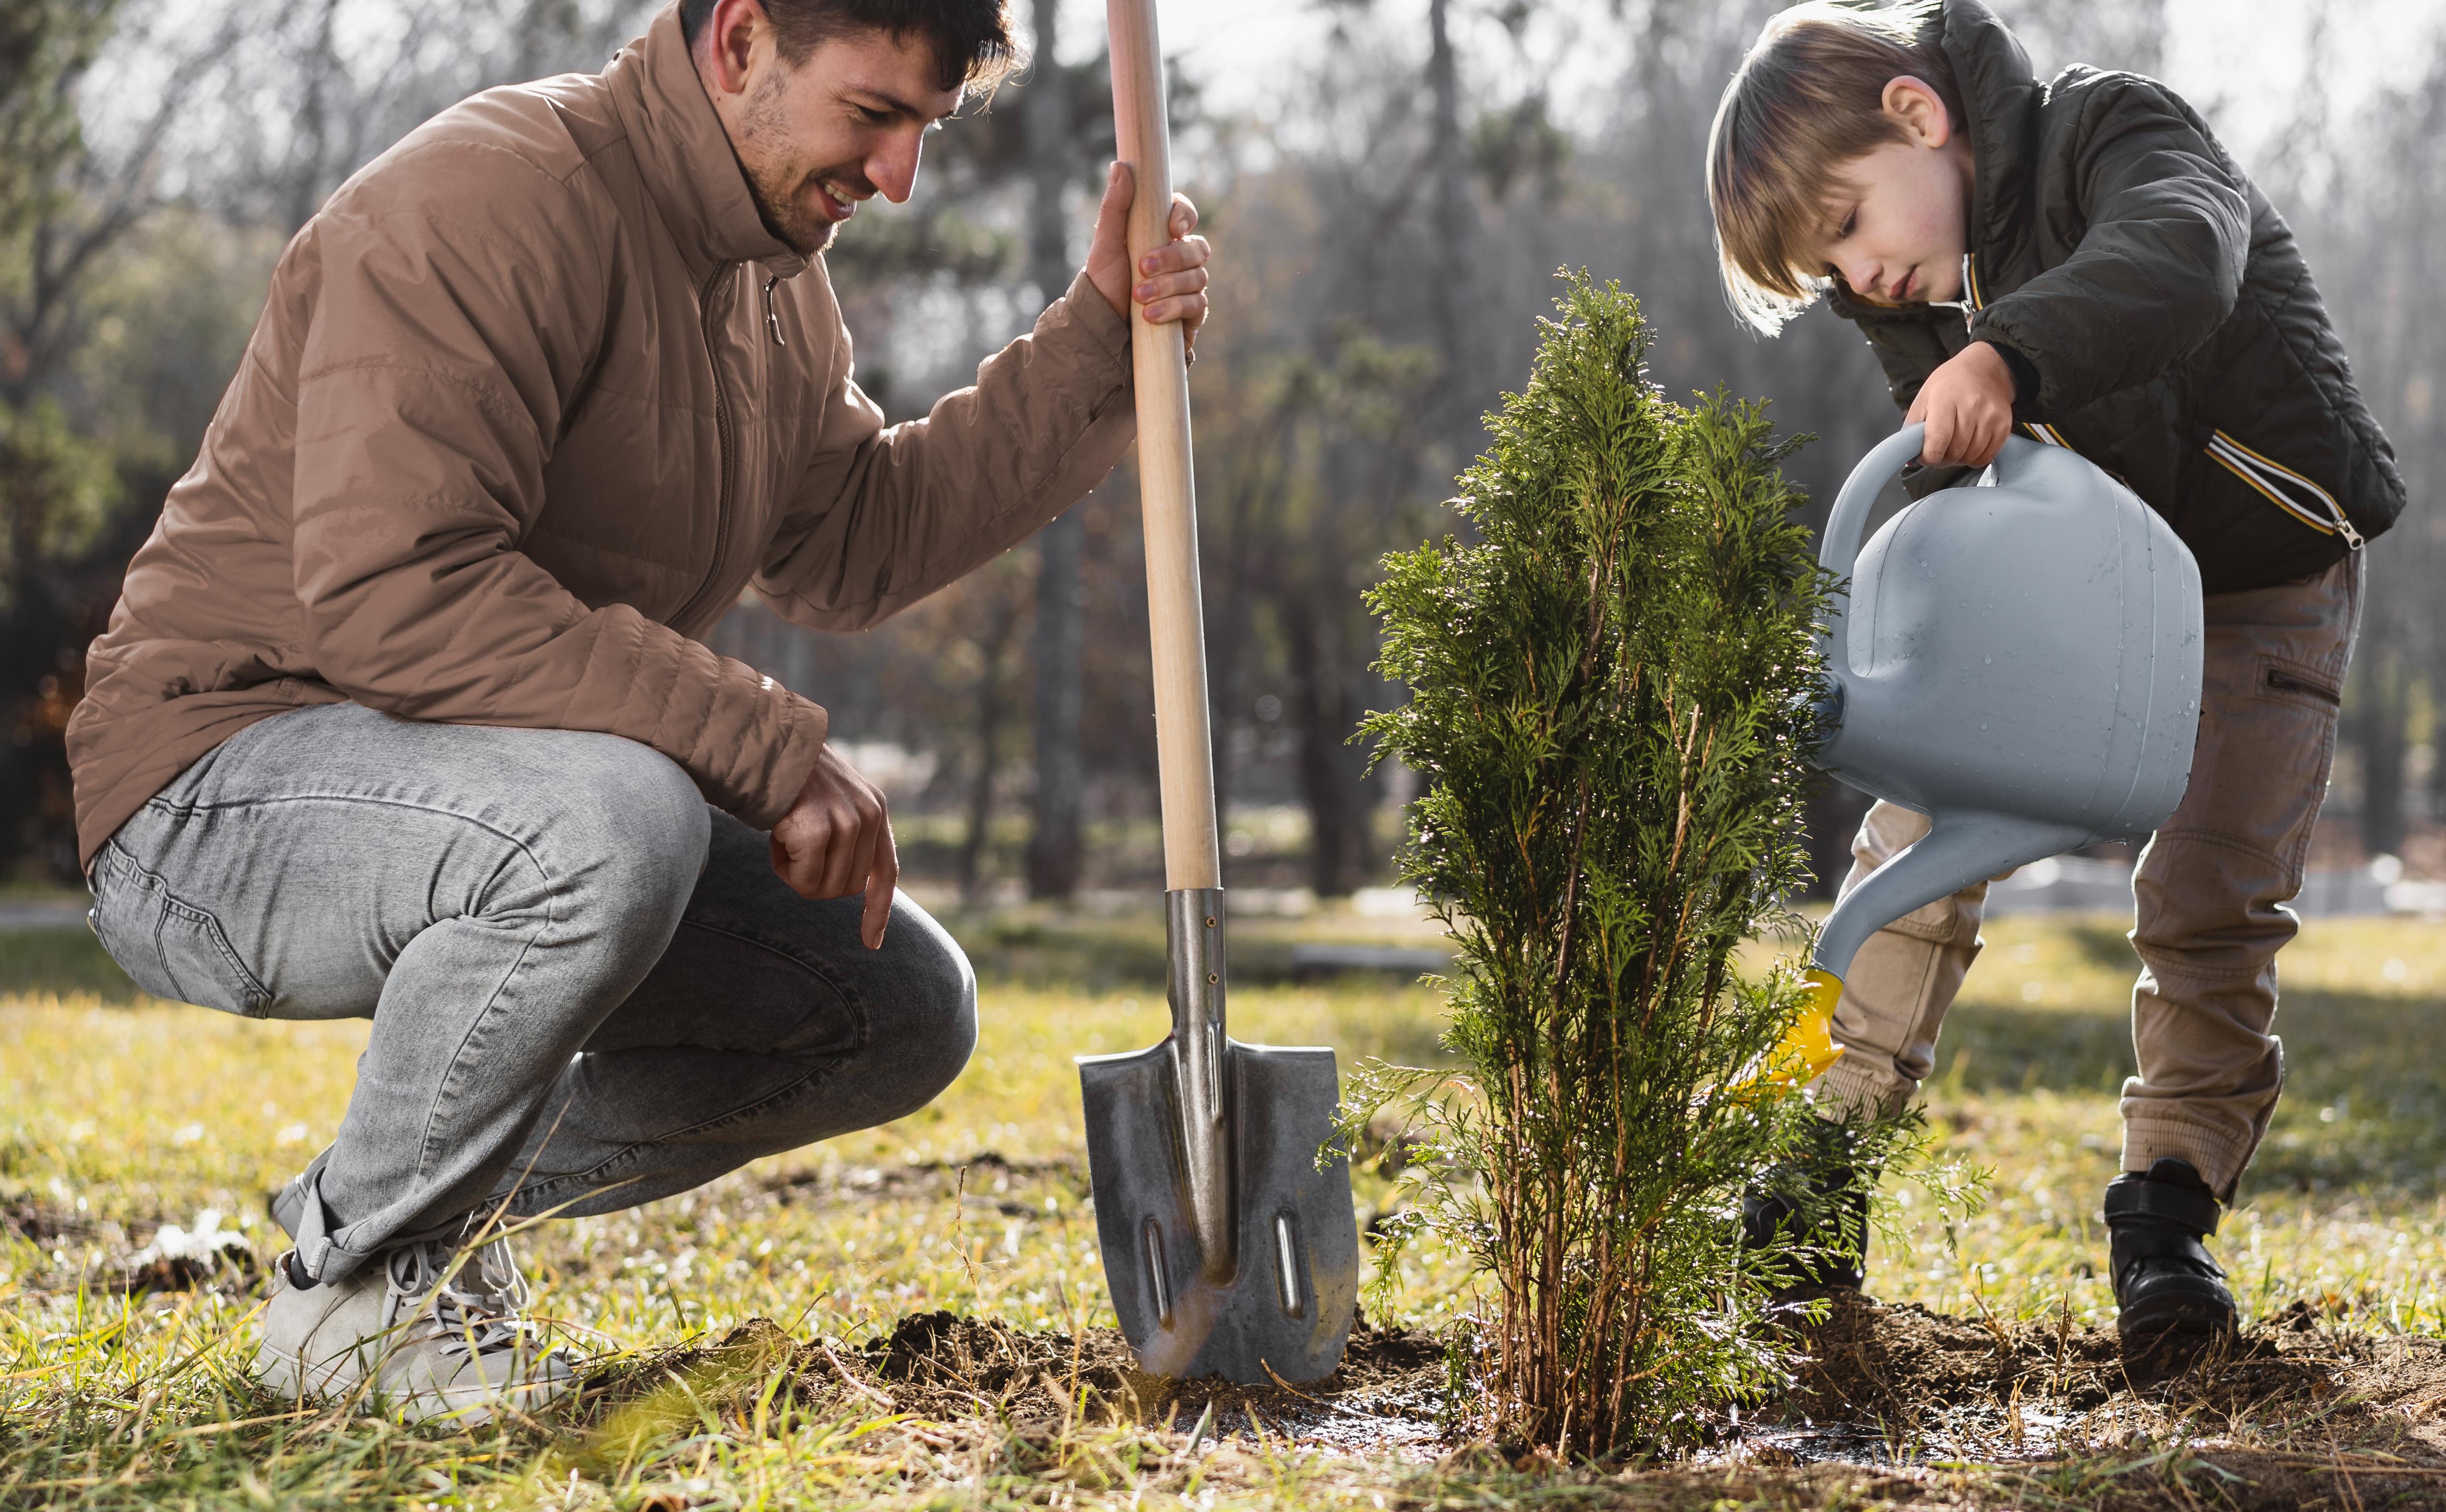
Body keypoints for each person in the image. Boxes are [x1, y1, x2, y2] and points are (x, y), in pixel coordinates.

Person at [66, 0, 1212, 1422]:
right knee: (622, 814)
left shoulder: (773, 285)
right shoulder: (489, 198)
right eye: (874, 115)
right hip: (207, 796)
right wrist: (761, 747)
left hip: (477, 795)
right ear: (739, 41)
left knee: (892, 1004)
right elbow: (395, 591)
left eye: (928, 128)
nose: (902, 175)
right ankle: (353, 1294)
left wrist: (1097, 339)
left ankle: (379, 1206)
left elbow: (856, 537)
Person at [1706, 0, 2403, 1363]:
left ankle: (2168, 1218)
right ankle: (1820, 1164)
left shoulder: (2112, 130)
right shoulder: (1912, 295)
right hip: (2085, 583)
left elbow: (2180, 258)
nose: (1857, 277)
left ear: (1919, 116)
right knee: (1922, 829)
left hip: (2262, 564)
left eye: (1850, 224)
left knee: (2211, 894)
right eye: (1824, 265)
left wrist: (2007, 354)